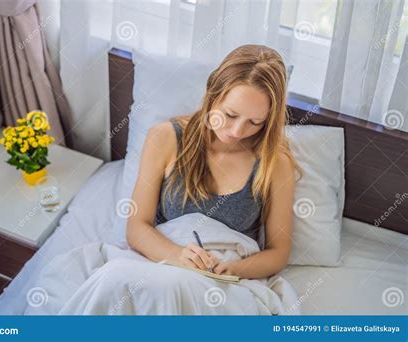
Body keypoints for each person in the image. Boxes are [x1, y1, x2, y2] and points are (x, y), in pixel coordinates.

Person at [127, 44, 302, 280]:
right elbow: (136, 227)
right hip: (163, 267)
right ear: (213, 94)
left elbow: (278, 253)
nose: (237, 131)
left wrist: (234, 270)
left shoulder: (275, 163)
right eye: (230, 115)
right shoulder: (165, 138)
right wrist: (178, 256)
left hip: (222, 280)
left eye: (255, 122)